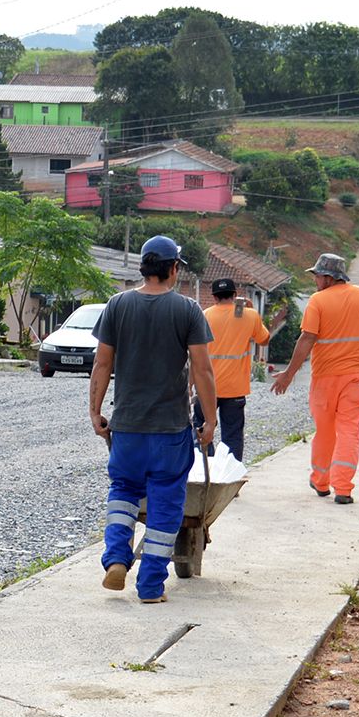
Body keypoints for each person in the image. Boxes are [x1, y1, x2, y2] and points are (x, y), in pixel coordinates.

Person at [90, 236, 218, 604]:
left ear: (144, 267)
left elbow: (102, 363)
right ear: (174, 269)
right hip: (170, 431)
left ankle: (116, 558)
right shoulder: (187, 310)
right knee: (164, 505)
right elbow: (203, 370)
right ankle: (150, 587)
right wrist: (209, 420)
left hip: (127, 427)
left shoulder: (117, 305)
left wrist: (95, 411)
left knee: (124, 491)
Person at [269, 252, 359, 505]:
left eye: (317, 276)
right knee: (349, 430)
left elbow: (306, 339)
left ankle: (321, 480)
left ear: (328, 277)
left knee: (325, 431)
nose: (315, 280)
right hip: (356, 379)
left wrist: (289, 374)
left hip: (324, 380)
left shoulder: (318, 302)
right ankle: (344, 489)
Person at [196, 277, 287, 461]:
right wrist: (252, 311)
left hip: (207, 387)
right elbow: (264, 339)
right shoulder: (250, 315)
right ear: (235, 295)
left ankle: (206, 472)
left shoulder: (204, 315)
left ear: (214, 297)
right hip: (234, 389)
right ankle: (230, 480)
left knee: (201, 430)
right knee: (232, 436)